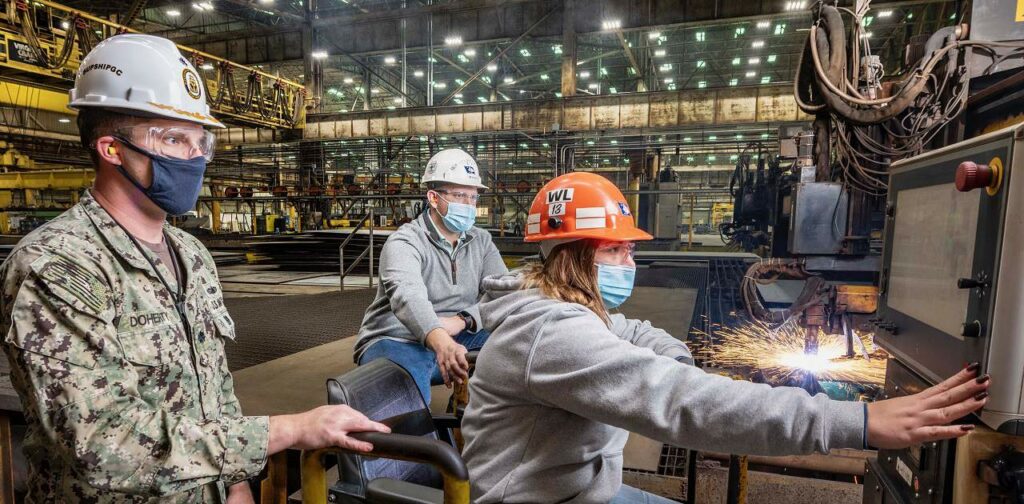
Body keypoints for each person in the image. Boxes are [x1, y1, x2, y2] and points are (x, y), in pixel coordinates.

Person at [0, 34, 390, 503]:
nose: (194, 157)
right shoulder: (57, 265)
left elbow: (214, 390)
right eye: (172, 139)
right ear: (111, 149)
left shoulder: (190, 255)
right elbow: (103, 445)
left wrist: (236, 484)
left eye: (200, 140)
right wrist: (287, 430)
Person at [461, 172, 991, 504]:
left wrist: (672, 365)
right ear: (577, 253)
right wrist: (859, 421)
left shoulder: (568, 309)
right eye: (617, 251)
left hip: (583, 491)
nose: (631, 261)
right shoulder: (552, 332)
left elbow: (639, 336)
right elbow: (684, 404)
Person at [355, 148, 508, 404]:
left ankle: (471, 417)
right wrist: (441, 341)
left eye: (473, 197)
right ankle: (420, 442)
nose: (469, 205)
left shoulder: (481, 241)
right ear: (434, 198)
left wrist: (462, 321)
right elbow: (407, 296)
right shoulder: (405, 241)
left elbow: (502, 293)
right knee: (406, 408)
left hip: (461, 335)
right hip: (398, 339)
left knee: (516, 348)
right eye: (460, 195)